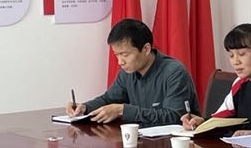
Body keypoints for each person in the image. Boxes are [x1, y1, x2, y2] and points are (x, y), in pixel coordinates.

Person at [60, 18, 198, 126]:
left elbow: (174, 117)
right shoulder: (127, 72)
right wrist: (84, 107)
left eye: (125, 55)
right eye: (117, 55)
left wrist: (122, 110)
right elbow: (108, 99)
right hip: (142, 142)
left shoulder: (174, 73)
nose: (120, 62)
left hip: (175, 146)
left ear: (146, 49)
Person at [181, 23, 251, 131]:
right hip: (242, 144)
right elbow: (221, 118)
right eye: (231, 55)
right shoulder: (239, 82)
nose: (235, 62)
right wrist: (201, 122)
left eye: (242, 54)